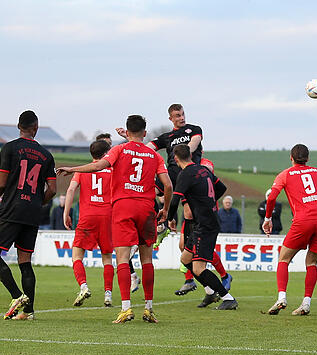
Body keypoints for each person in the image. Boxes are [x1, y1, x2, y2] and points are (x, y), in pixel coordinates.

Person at [58, 115, 172, 324]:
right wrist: (165, 209)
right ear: (145, 133)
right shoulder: (154, 155)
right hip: (146, 208)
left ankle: (126, 309)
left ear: (127, 133)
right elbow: (168, 185)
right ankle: (149, 308)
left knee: (122, 258)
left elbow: (98, 166)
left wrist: (72, 169)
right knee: (147, 260)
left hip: (123, 208)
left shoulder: (119, 150)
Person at [0, 110, 57, 321]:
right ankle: (29, 311)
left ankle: (17, 296)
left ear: (18, 126)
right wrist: (37, 202)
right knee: (25, 261)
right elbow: (52, 190)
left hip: (11, 209)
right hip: (32, 213)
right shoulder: (46, 155)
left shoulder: (10, 148)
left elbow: (2, 183)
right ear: (36, 127)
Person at [264, 144, 317, 316]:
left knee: (283, 258)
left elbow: (272, 197)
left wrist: (268, 219)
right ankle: (306, 303)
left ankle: (282, 297)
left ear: (291, 157)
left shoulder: (285, 174)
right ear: (308, 158)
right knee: (312, 262)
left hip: (303, 220)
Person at [166, 145, 237, 310]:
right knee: (185, 259)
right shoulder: (203, 170)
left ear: (176, 158)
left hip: (206, 225)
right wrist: (207, 201)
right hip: (204, 222)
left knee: (198, 268)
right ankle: (210, 291)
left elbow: (175, 200)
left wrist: (169, 219)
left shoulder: (185, 174)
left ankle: (228, 298)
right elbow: (222, 188)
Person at [62, 140, 115, 308]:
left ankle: (83, 286)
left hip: (87, 216)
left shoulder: (82, 170)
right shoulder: (112, 170)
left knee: (77, 255)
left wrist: (66, 213)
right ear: (106, 153)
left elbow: (71, 190)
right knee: (107, 257)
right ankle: (108, 295)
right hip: (107, 216)